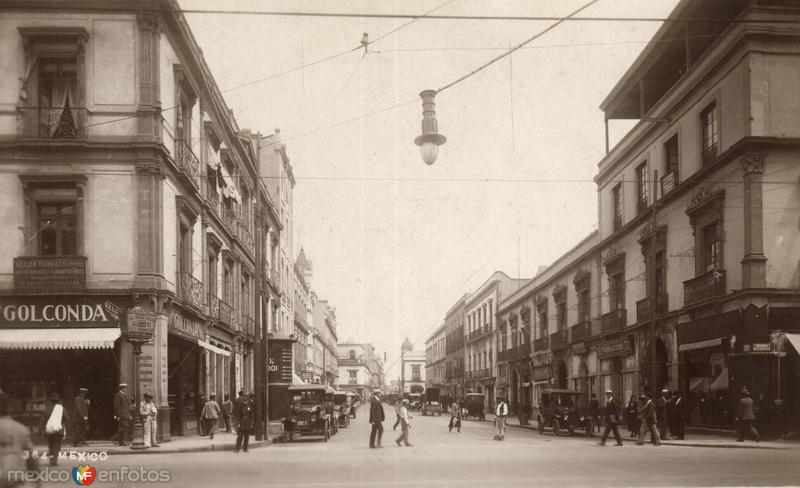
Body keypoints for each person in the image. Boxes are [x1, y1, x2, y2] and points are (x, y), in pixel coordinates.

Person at [0, 388, 38, 485]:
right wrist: (37, 479)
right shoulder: (21, 429)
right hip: (14, 477)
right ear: (9, 408)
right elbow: (32, 457)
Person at [40, 392, 68, 466]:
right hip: (58, 430)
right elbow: (66, 418)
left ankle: (52, 460)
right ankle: (54, 462)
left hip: (49, 430)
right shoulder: (61, 409)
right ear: (58, 401)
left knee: (51, 445)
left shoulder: (46, 409)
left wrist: (40, 430)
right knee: (56, 446)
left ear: (50, 401)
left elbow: (42, 420)